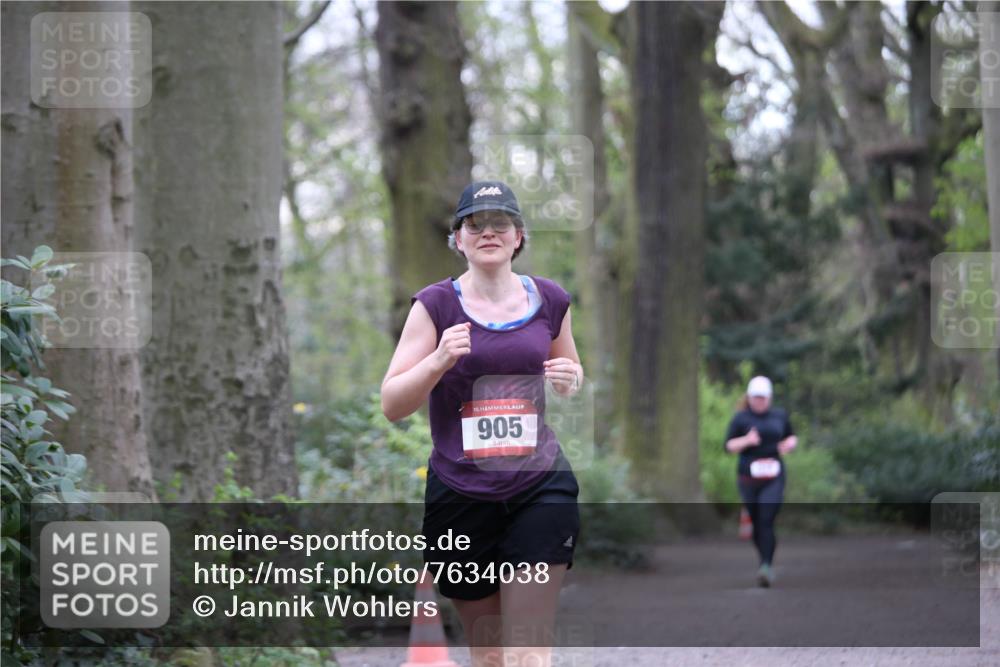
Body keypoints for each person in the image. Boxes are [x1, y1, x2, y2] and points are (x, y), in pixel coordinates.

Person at [380, 180, 583, 667]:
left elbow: (570, 371)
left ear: (518, 236)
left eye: (501, 223)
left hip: (539, 485)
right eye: (475, 224)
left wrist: (570, 379)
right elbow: (392, 403)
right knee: (490, 655)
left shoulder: (551, 300)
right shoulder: (435, 306)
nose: (488, 232)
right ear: (458, 238)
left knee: (527, 651)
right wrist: (438, 360)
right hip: (460, 494)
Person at [724, 375, 797, 587]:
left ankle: (766, 566)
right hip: (748, 478)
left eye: (763, 397)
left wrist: (790, 444)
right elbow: (728, 446)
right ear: (749, 397)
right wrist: (747, 440)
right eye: (756, 397)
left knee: (766, 518)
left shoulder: (779, 415)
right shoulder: (740, 419)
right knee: (757, 524)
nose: (759, 401)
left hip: (774, 476)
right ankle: (764, 559)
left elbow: (791, 436)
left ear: (770, 397)